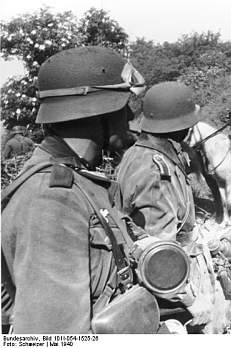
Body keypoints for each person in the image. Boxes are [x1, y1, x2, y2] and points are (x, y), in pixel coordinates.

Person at [0, 46, 156, 333]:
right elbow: (53, 335)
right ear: (100, 112)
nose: (132, 118)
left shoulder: (80, 182)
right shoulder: (51, 200)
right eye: (124, 107)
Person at [115, 81, 224, 330]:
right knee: (211, 322)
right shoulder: (156, 169)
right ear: (181, 127)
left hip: (154, 270)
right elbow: (161, 255)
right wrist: (191, 299)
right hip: (165, 285)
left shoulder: (138, 153)